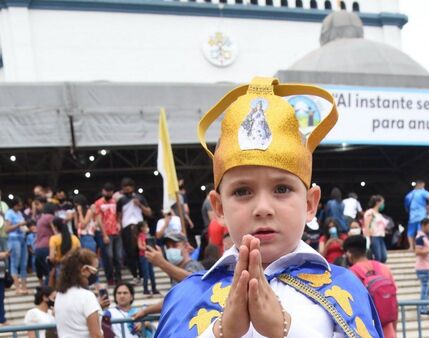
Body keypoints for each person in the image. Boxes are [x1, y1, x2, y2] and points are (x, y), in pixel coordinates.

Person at [156, 77, 382, 337]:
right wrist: (221, 332)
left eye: (282, 189)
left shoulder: (346, 288)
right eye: (242, 192)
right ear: (218, 207)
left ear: (310, 203)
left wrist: (285, 329)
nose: (263, 208)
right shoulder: (187, 296)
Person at [343, 235, 398, 338]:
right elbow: (394, 303)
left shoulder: (350, 274)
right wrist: (394, 330)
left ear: (348, 254)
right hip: (388, 331)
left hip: (366, 332)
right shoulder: (384, 268)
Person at [54, 248, 109, 338]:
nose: (95, 274)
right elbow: (96, 335)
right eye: (94, 270)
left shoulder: (60, 295)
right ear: (84, 270)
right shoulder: (87, 296)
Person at [117, 177, 152, 285]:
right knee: (130, 253)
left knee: (141, 251)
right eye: (125, 187)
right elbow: (119, 216)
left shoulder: (140, 198)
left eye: (129, 186)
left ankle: (144, 275)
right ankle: (135, 275)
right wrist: (120, 227)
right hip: (127, 227)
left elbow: (149, 213)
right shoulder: (121, 200)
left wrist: (140, 205)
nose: (127, 189)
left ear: (132, 187)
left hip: (139, 226)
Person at [94, 182, 122, 285]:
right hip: (106, 233)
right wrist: (104, 234)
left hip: (116, 232)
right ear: (103, 191)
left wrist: (119, 223)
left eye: (110, 191)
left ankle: (118, 277)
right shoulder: (98, 203)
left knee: (118, 256)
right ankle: (110, 277)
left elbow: (119, 214)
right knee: (109, 256)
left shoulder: (115, 201)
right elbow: (98, 219)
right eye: (106, 191)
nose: (108, 193)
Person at [4, 196, 30, 295]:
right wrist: (19, 225)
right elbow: (7, 229)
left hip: (23, 238)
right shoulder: (9, 213)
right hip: (14, 239)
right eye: (19, 205)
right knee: (15, 263)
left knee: (24, 264)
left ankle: (24, 287)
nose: (20, 207)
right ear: (14, 205)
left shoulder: (19, 213)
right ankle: (17, 288)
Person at [414, 218, 429, 315]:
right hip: (422, 267)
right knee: (426, 287)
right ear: (423, 226)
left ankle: (424, 307)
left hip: (426, 267)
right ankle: (422, 308)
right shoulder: (420, 237)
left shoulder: (424, 237)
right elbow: (418, 251)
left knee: (428, 288)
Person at [49, 217, 81, 285]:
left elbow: (51, 258)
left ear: (56, 227)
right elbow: (79, 250)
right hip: (74, 266)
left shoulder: (54, 239)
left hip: (60, 266)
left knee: (61, 287)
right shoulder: (74, 238)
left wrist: (56, 260)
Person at [405, 180, 429, 251]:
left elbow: (406, 206)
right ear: (422, 184)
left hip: (412, 216)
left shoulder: (409, 194)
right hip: (421, 215)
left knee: (410, 232)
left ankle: (411, 247)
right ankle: (424, 246)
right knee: (422, 231)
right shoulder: (422, 192)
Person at [136, 222, 159, 296]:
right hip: (144, 256)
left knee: (151, 272)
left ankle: (154, 288)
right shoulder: (140, 236)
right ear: (142, 228)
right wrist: (146, 248)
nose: (147, 228)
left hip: (149, 255)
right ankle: (145, 289)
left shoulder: (148, 236)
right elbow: (140, 246)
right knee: (146, 273)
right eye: (146, 227)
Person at [363, 194, 388, 262]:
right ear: (378, 202)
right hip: (374, 236)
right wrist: (368, 238)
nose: (383, 204)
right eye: (382, 202)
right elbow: (367, 225)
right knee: (378, 257)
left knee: (384, 257)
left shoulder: (379, 214)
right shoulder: (370, 212)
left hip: (381, 236)